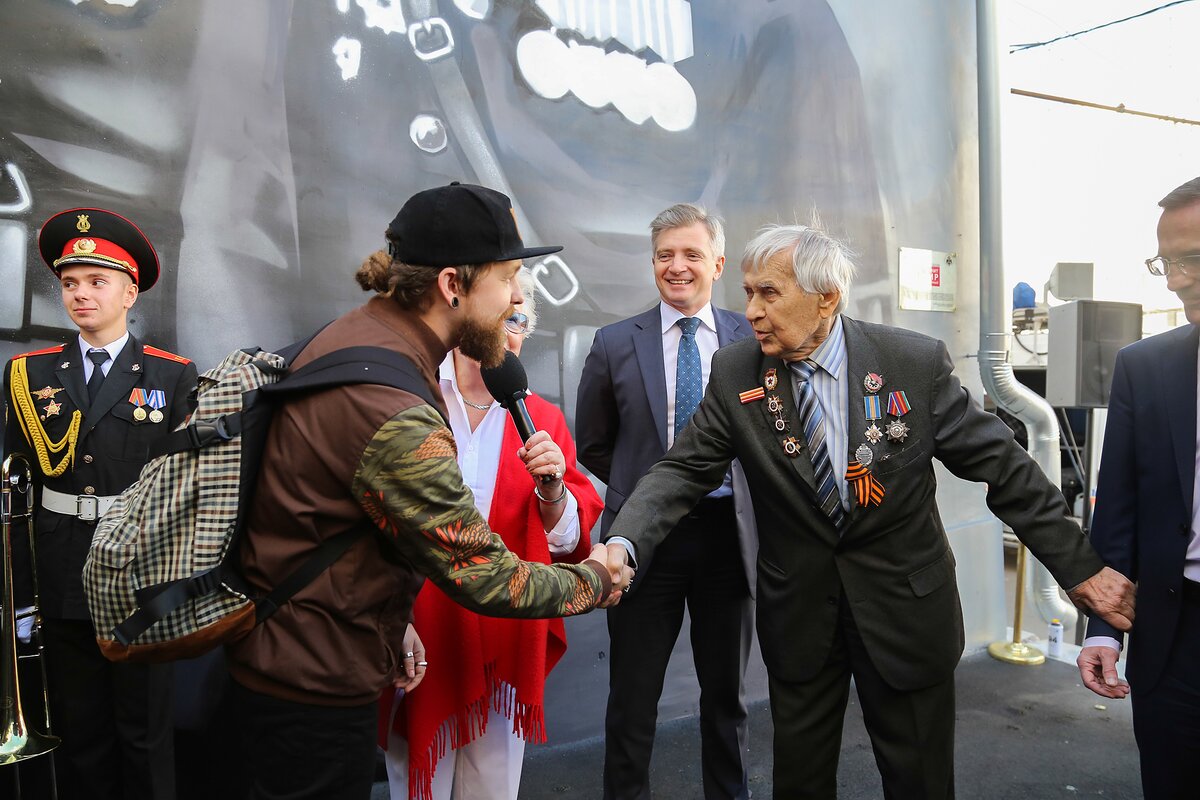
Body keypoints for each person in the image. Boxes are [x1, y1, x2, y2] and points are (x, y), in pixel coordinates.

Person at [600, 221, 1137, 798]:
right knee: (800, 784)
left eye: (769, 293)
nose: (751, 310)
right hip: (800, 617)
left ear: (826, 297)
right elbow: (682, 470)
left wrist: (1080, 569)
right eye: (749, 292)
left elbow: (1003, 469)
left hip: (906, 612)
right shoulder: (737, 372)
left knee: (918, 782)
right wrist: (623, 542)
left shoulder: (911, 362)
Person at [223, 182, 631, 800]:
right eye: (507, 278)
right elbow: (484, 575)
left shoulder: (362, 340)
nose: (517, 298)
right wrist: (598, 580)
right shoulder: (392, 403)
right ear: (451, 285)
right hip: (311, 686)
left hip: (297, 665)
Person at [381, 270, 604, 800]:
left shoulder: (542, 419)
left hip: (505, 626)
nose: (510, 331)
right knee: (418, 782)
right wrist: (390, 614)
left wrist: (553, 489)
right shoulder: (412, 399)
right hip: (419, 623)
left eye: (519, 320)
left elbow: (567, 541)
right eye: (500, 316)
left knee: (492, 784)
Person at [2, 208, 197, 800]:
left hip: (138, 576)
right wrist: (20, 587)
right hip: (60, 572)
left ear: (129, 292)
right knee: (79, 732)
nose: (80, 294)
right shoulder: (28, 373)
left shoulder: (172, 376)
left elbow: (186, 488)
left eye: (97, 281)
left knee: (144, 733)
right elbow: (15, 486)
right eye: (69, 283)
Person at [576, 203, 756, 800]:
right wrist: (650, 497)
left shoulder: (752, 340)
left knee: (726, 698)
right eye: (664, 255)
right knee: (632, 699)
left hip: (729, 539)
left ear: (717, 264)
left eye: (691, 254)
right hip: (641, 543)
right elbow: (593, 444)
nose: (676, 267)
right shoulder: (613, 344)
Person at [1078, 176, 1200, 799]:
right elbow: (1118, 513)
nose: (1176, 280)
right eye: (1166, 262)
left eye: (1192, 259)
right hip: (1176, 641)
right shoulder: (1145, 367)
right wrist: (1104, 628)